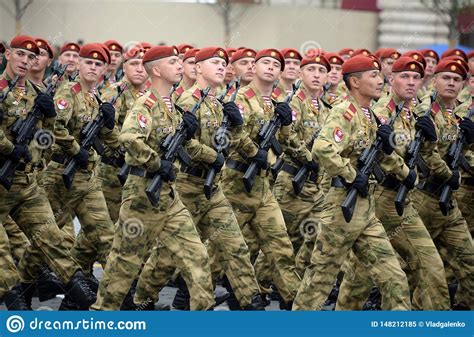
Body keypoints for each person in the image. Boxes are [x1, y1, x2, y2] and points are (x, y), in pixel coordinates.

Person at [91, 45, 215, 311]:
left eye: (179, 61)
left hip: (170, 199)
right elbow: (128, 138)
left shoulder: (172, 107)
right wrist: (157, 163)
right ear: (156, 70)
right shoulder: (145, 104)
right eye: (173, 62)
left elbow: (185, 146)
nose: (180, 65)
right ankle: (101, 316)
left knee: (198, 257)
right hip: (142, 196)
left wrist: (212, 155)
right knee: (123, 266)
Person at [293, 54, 411, 311]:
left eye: (380, 75)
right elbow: (323, 149)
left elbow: (380, 158)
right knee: (319, 281)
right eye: (374, 75)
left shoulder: (371, 116)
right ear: (355, 82)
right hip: (341, 208)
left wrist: (405, 172)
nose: (381, 81)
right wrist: (350, 175)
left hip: (366, 208)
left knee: (394, 278)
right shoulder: (345, 113)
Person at [0, 35, 96, 310]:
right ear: (8, 55)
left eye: (31, 57)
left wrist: (50, 114)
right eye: (20, 55)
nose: (26, 61)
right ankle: (15, 300)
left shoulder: (36, 94)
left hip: (27, 182)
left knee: (51, 236)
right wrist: (8, 147)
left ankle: (78, 289)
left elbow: (49, 135)